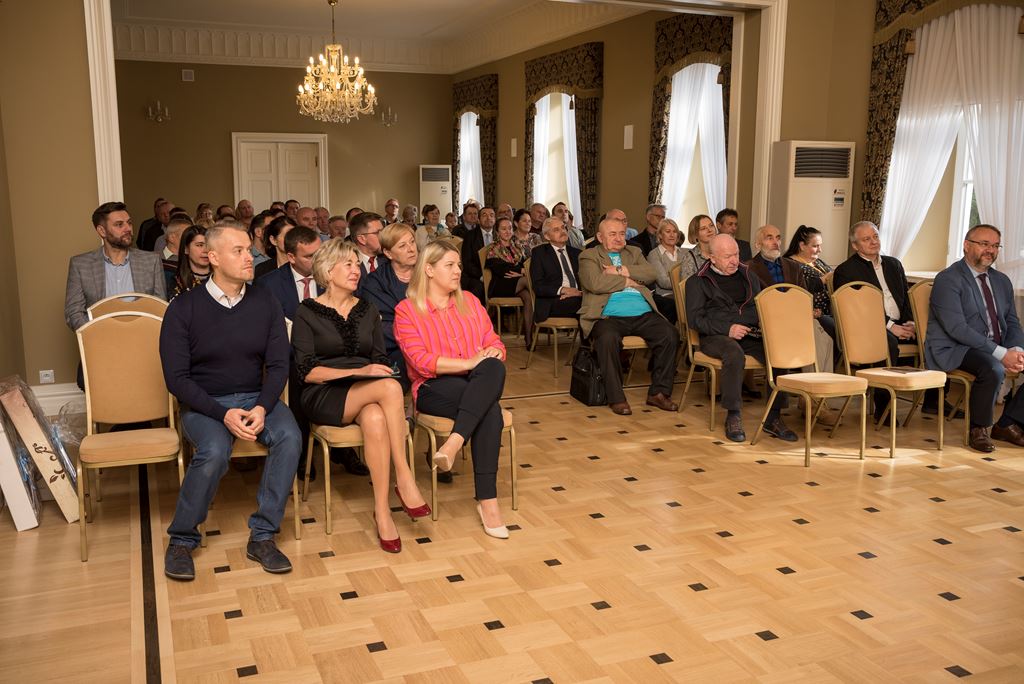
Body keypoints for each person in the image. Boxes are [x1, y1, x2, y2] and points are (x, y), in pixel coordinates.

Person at [159, 223, 301, 581]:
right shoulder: (184, 308)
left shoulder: (265, 301)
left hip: (256, 398)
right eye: (238, 251)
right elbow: (177, 379)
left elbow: (279, 364)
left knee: (290, 437)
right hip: (206, 403)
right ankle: (182, 539)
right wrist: (222, 414)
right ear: (213, 257)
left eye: (248, 249)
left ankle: (263, 536)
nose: (249, 257)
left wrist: (262, 407)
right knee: (214, 451)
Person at [291, 239, 430, 552]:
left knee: (376, 417)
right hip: (323, 393)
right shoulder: (306, 311)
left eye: (357, 264)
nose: (357, 270)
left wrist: (371, 372)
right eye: (348, 265)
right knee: (389, 387)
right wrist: (361, 372)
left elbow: (379, 358)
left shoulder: (367, 309)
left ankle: (382, 512)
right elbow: (306, 372)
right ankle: (404, 477)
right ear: (328, 271)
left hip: (366, 392)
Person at [394, 241, 511, 539]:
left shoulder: (470, 301)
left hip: (477, 380)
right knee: (490, 410)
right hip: (434, 386)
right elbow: (420, 361)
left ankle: (454, 442)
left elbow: (494, 342)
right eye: (450, 265)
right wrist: (469, 362)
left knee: (494, 367)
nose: (458, 271)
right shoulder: (407, 310)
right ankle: (488, 502)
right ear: (429, 270)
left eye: (458, 265)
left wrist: (494, 352)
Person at [685, 234, 798, 443]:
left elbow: (762, 305)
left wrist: (759, 323)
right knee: (733, 353)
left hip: (750, 333)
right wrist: (728, 328)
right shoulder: (697, 281)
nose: (734, 261)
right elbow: (695, 320)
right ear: (712, 258)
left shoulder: (748, 275)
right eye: (727, 256)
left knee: (778, 350)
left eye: (736, 254)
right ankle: (733, 415)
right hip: (715, 336)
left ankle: (774, 417)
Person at [926, 224, 1024, 452]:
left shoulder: (1001, 281)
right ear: (966, 245)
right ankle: (978, 430)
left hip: (993, 345)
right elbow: (957, 328)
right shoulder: (948, 279)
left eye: (995, 245)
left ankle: (1007, 423)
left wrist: (1017, 350)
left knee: (1007, 360)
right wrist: (1002, 354)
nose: (990, 250)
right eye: (984, 244)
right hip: (955, 347)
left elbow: (1012, 321)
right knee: (993, 368)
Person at [578, 218, 679, 415]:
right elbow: (595, 283)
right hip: (607, 315)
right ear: (600, 237)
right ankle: (616, 398)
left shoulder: (634, 252)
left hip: (642, 312)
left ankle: (659, 393)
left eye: (622, 234)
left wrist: (620, 271)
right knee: (607, 339)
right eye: (612, 234)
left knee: (670, 334)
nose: (618, 238)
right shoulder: (588, 255)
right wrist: (629, 281)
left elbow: (650, 273)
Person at [832, 221, 914, 422]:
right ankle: (883, 407)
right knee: (888, 342)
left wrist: (910, 322)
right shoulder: (846, 270)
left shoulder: (894, 264)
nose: (873, 242)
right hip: (866, 327)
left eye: (875, 236)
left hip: (900, 324)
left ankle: (933, 401)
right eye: (866, 239)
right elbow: (856, 310)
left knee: (937, 336)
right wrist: (890, 326)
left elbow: (906, 297)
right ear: (855, 245)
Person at [747, 224, 836, 379]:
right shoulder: (749, 268)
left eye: (778, 238)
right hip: (769, 320)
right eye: (769, 238)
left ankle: (817, 385)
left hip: (796, 317)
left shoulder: (793, 266)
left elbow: (804, 295)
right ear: (757, 244)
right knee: (816, 336)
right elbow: (750, 301)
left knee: (825, 339)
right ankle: (813, 386)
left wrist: (807, 311)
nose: (775, 242)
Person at [65, 201, 166, 332]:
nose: (128, 228)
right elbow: (73, 313)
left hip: (143, 337)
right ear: (102, 231)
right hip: (100, 339)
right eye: (119, 224)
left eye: (129, 223)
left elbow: (160, 307)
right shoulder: (80, 265)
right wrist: (100, 334)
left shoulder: (151, 261)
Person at [360, 223, 417, 391]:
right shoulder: (375, 282)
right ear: (388, 253)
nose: (411, 249)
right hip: (397, 347)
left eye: (412, 242)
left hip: (437, 343)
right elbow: (379, 327)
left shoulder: (429, 272)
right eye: (402, 245)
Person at [255, 225, 323, 319]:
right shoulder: (269, 284)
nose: (319, 259)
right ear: (291, 257)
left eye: (320, 253)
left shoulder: (333, 277)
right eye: (309, 256)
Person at [485, 216, 534, 345]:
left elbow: (526, 265)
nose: (507, 231)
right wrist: (521, 271)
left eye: (510, 228)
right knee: (527, 280)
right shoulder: (493, 249)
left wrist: (519, 271)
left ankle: (528, 336)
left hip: (517, 283)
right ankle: (544, 306)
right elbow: (502, 270)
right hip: (500, 285)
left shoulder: (517, 247)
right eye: (503, 229)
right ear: (497, 232)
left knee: (528, 297)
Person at [783, 224, 835, 338]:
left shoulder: (818, 262)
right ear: (802, 246)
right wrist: (823, 279)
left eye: (820, 245)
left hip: (832, 311)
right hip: (811, 314)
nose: (820, 250)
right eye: (815, 246)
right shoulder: (790, 264)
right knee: (836, 329)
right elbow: (795, 290)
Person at [529, 216, 582, 322]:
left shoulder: (577, 253)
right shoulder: (539, 253)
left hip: (578, 295)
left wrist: (579, 293)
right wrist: (563, 290)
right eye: (556, 230)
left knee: (596, 302)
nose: (562, 231)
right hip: (554, 299)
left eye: (563, 227)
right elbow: (538, 286)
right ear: (547, 236)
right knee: (585, 305)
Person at [646, 217, 682, 323]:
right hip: (665, 296)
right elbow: (663, 282)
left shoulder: (685, 253)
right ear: (660, 235)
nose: (672, 235)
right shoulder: (654, 255)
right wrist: (686, 282)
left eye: (674, 231)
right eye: (668, 231)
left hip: (686, 293)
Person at [459, 206, 496, 300]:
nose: (488, 218)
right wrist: (482, 275)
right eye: (484, 215)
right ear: (478, 220)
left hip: (496, 275)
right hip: (475, 276)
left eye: (491, 215)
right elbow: (467, 262)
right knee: (479, 287)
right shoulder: (470, 236)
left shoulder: (499, 235)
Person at [171, 225, 211, 298]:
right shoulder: (178, 282)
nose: (206, 250)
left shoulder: (223, 278)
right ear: (186, 249)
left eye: (208, 245)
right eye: (199, 245)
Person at [677, 214, 717, 282]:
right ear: (695, 234)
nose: (709, 230)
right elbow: (688, 285)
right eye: (703, 228)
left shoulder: (722, 250)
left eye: (711, 225)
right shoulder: (689, 258)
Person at [254, 215, 296, 280]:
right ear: (273, 240)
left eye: (295, 235)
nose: (293, 239)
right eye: (288, 235)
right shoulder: (262, 270)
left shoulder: (304, 266)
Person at [350, 211, 386, 276]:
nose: (383, 236)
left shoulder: (389, 260)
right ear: (361, 239)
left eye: (383, 232)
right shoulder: (348, 265)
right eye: (377, 233)